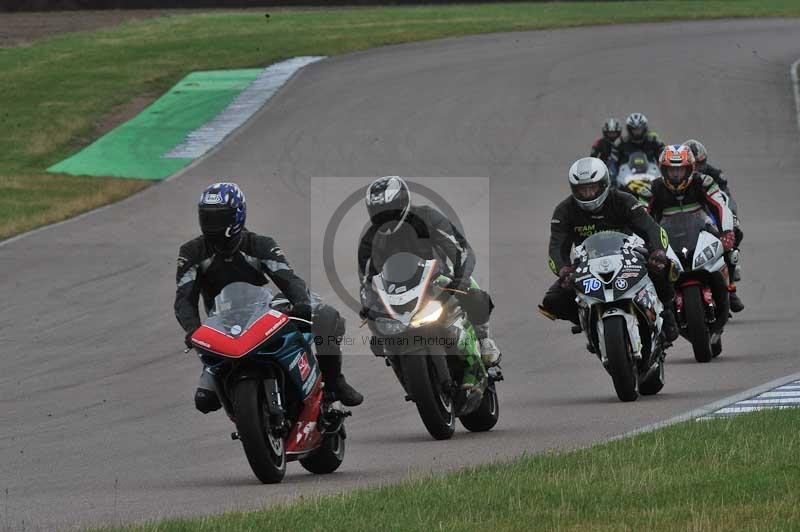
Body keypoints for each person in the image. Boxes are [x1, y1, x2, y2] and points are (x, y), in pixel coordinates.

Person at [175, 182, 363, 412]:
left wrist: (301, 304)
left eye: (219, 218)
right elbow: (184, 298)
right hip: (222, 324)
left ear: (237, 216)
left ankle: (335, 382)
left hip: (265, 310)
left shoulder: (259, 244)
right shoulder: (192, 252)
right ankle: (248, 416)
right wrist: (192, 329)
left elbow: (287, 278)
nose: (212, 225)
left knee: (326, 316)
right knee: (205, 401)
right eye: (207, 218)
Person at [357, 176, 501, 387]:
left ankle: (484, 339)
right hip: (396, 291)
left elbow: (461, 249)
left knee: (474, 292)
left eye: (390, 210)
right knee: (378, 336)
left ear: (403, 202)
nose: (386, 217)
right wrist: (368, 307)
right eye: (380, 213)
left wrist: (460, 278)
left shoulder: (426, 216)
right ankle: (403, 370)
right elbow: (366, 280)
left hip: (436, 279)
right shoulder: (370, 239)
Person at [539, 157, 679, 341]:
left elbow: (650, 228)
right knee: (551, 302)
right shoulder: (564, 211)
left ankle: (667, 311)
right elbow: (556, 247)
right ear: (574, 189)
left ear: (604, 184)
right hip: (588, 262)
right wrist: (563, 269)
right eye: (582, 189)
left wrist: (658, 251)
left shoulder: (624, 200)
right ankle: (588, 322)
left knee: (665, 267)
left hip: (629, 254)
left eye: (592, 187)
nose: (588, 193)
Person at [648, 145, 738, 322]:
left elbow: (721, 206)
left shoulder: (704, 181)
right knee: (650, 267)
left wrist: (726, 231)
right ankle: (663, 312)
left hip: (702, 228)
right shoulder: (653, 188)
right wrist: (643, 242)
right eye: (671, 170)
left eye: (680, 170)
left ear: (690, 168)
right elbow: (640, 214)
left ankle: (730, 290)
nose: (676, 175)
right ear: (663, 170)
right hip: (667, 236)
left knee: (731, 251)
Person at [683, 139, 743, 312]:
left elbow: (727, 199)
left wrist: (730, 219)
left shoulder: (713, 174)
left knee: (735, 235)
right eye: (694, 165)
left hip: (711, 217)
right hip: (688, 220)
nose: (697, 169)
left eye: (700, 164)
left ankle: (730, 288)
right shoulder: (678, 177)